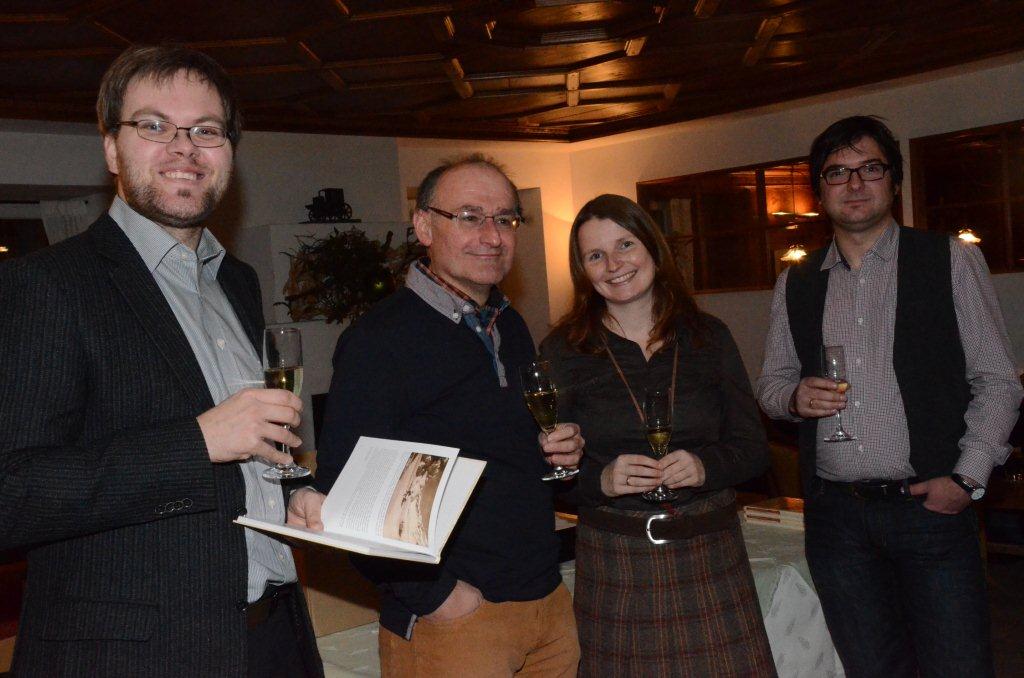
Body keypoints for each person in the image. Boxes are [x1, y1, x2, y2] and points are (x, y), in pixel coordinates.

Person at [0, 45, 322, 677]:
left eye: (206, 130)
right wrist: (196, 443)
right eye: (154, 126)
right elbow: (11, 494)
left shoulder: (238, 281)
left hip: (273, 636)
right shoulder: (45, 285)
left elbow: (248, 452)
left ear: (229, 152)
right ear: (112, 149)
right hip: (139, 657)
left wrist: (293, 493)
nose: (184, 148)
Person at [288, 155, 585, 676]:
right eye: (469, 216)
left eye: (505, 219)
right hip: (457, 624)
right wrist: (438, 597)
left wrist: (558, 451)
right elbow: (343, 500)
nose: (492, 235)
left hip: (547, 602)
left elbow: (503, 452)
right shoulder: (378, 340)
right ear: (424, 227)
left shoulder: (510, 326)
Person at [756, 115, 1023, 677]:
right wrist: (794, 398)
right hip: (836, 521)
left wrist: (967, 479)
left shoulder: (948, 260)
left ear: (894, 181)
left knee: (957, 666)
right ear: (820, 191)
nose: (854, 183)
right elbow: (771, 384)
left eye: (870, 168)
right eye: (837, 172)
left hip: (930, 510)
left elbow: (998, 380)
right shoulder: (796, 282)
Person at [539, 194, 775, 677]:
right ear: (582, 270)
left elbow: (754, 450)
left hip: (710, 556)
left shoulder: (709, 336)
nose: (614, 264)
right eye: (595, 255)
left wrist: (706, 467)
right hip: (617, 562)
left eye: (625, 244)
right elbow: (547, 472)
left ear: (652, 246)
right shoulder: (563, 350)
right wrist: (600, 480)